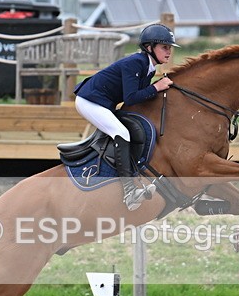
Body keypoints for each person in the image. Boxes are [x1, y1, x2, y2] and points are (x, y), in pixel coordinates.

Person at [74, 23, 177, 211]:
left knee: (127, 130)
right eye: (164, 47)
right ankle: (129, 192)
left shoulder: (149, 68)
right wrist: (157, 87)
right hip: (89, 101)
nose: (169, 52)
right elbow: (131, 97)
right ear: (149, 47)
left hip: (102, 102)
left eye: (170, 47)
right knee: (121, 132)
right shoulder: (135, 63)